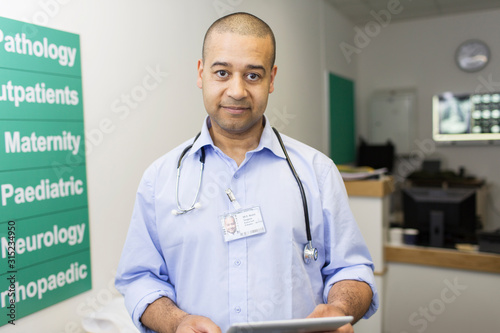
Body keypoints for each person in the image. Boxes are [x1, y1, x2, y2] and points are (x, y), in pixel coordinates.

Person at [115, 12, 378, 333]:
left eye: (253, 76)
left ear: (271, 78)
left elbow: (352, 269)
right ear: (201, 73)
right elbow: (139, 277)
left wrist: (340, 308)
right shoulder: (160, 178)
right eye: (222, 72)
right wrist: (176, 322)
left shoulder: (317, 171)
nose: (237, 91)